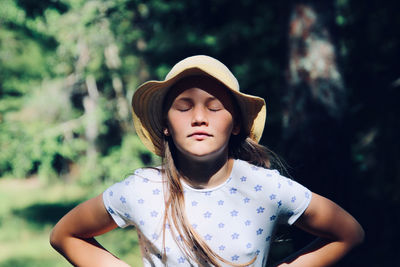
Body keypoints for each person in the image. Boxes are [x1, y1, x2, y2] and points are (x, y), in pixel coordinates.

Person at [50, 55, 364, 267]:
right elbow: (65, 234)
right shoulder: (142, 190)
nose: (199, 117)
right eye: (184, 107)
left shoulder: (265, 187)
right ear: (165, 124)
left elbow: (348, 232)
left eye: (214, 108)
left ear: (236, 124)